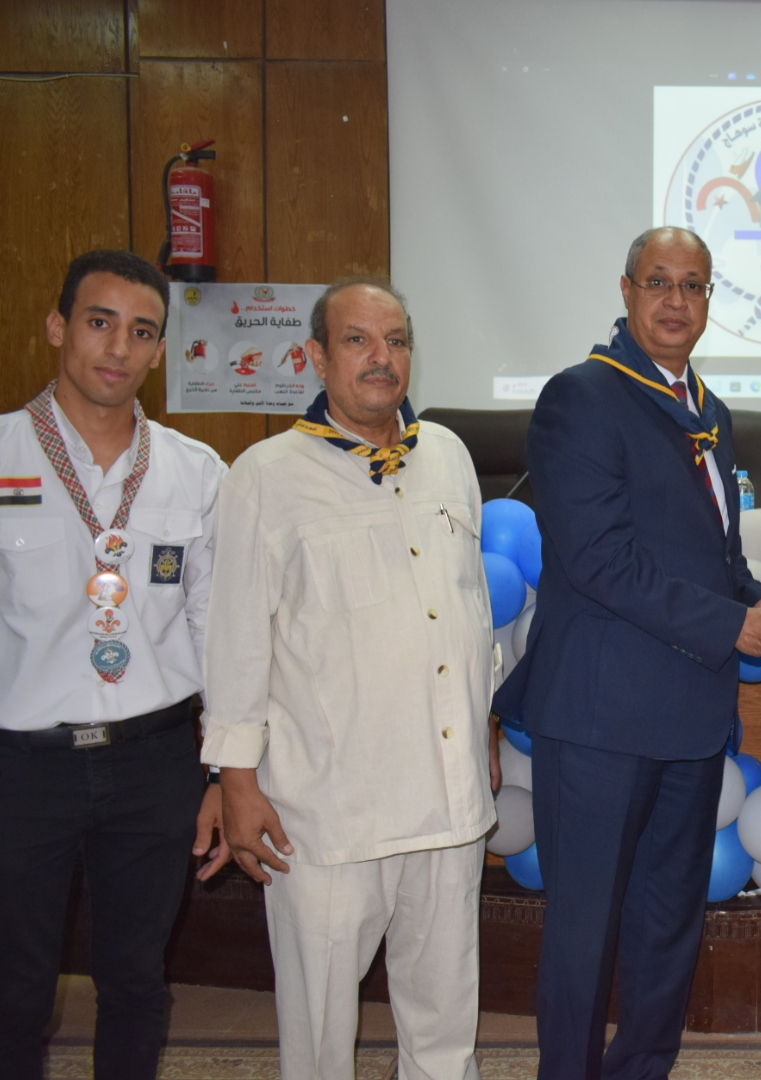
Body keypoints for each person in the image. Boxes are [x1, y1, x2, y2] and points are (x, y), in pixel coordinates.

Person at [491, 226, 761, 1080]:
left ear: (710, 300)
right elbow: (600, 560)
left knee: (668, 927)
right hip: (599, 720)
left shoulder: (709, 410)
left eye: (694, 285)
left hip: (689, 717)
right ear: (628, 289)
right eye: (659, 282)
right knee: (584, 933)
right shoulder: (581, 398)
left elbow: (715, 559)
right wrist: (734, 626)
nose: (676, 301)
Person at [201, 278, 500, 1080]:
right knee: (320, 1032)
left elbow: (470, 608)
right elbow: (235, 638)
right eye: (359, 340)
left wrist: (485, 722)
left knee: (445, 1023)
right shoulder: (265, 476)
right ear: (317, 356)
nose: (381, 358)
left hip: (447, 801)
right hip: (326, 810)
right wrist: (235, 781)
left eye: (396, 341)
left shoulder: (448, 455)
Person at [0, 250, 229, 1080]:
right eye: (99, 322)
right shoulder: (4, 452)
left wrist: (221, 771)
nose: (118, 347)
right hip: (23, 766)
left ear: (159, 351)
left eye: (141, 332)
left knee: (136, 981)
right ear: (57, 327)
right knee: (14, 992)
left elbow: (216, 630)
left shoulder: (195, 471)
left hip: (153, 761)